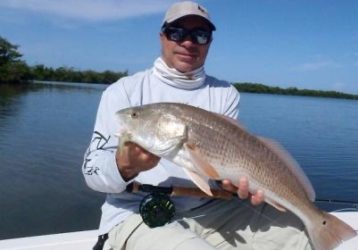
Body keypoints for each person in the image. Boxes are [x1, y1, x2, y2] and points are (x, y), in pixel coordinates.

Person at [82, 1, 311, 250]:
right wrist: (123, 167)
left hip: (211, 210)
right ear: (162, 37)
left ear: (209, 42)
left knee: (299, 234)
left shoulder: (225, 93)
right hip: (136, 211)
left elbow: (217, 172)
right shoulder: (123, 91)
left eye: (200, 34)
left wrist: (234, 186)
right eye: (177, 32)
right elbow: (91, 173)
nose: (188, 42)